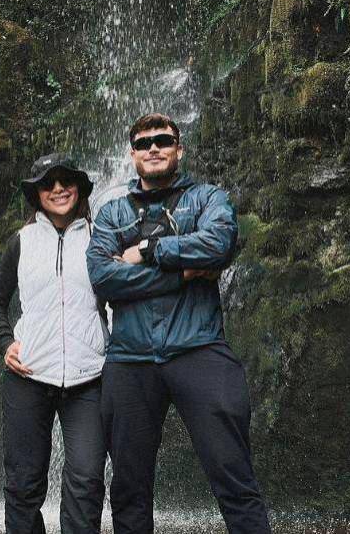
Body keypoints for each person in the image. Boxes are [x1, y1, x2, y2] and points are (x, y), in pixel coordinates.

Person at [86, 113, 271, 533]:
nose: (154, 147)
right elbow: (102, 276)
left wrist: (147, 249)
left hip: (200, 348)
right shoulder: (113, 212)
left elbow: (218, 243)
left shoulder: (209, 198)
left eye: (163, 140)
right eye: (144, 142)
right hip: (130, 357)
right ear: (132, 154)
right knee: (129, 489)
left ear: (178, 149)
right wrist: (183, 271)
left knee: (233, 475)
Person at [0, 153, 108, 534]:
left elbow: (120, 297)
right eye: (48, 183)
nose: (58, 189)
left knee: (86, 479)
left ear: (79, 188)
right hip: (28, 376)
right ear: (36, 194)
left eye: (65, 181)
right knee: (23, 481)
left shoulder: (100, 238)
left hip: (90, 378)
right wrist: (4, 343)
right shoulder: (21, 241)